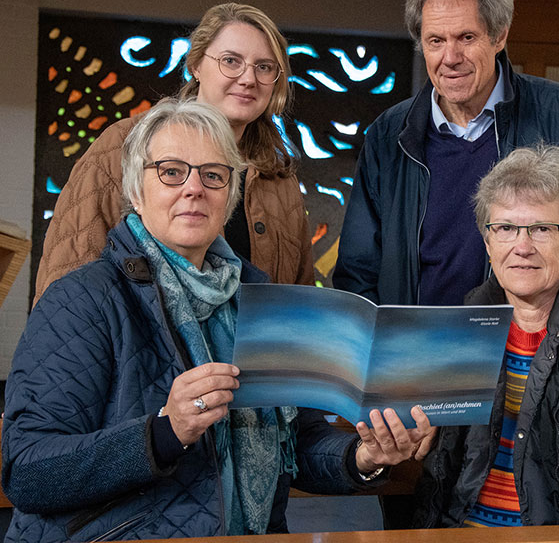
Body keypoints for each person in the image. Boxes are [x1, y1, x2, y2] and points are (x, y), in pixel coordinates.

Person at [2, 99, 435, 541]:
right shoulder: (84, 299)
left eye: (212, 175)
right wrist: (164, 431)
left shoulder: (264, 302)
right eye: (171, 171)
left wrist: (362, 456)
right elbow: (27, 471)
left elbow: (301, 443)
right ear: (136, 190)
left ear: (228, 195)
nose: (194, 188)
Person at [333, 0, 559, 309]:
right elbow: (357, 270)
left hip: (527, 353)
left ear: (499, 36)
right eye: (435, 41)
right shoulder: (388, 135)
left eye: (466, 37)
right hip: (413, 352)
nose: (450, 57)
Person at [412, 146, 559, 528]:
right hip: (466, 528)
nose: (522, 247)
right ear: (488, 243)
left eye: (541, 228)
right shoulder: (470, 319)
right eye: (505, 228)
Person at [35, 2, 312, 304]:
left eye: (264, 67)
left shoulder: (279, 178)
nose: (248, 78)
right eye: (231, 61)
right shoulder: (125, 145)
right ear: (195, 66)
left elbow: (300, 302)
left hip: (250, 352)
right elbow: (66, 281)